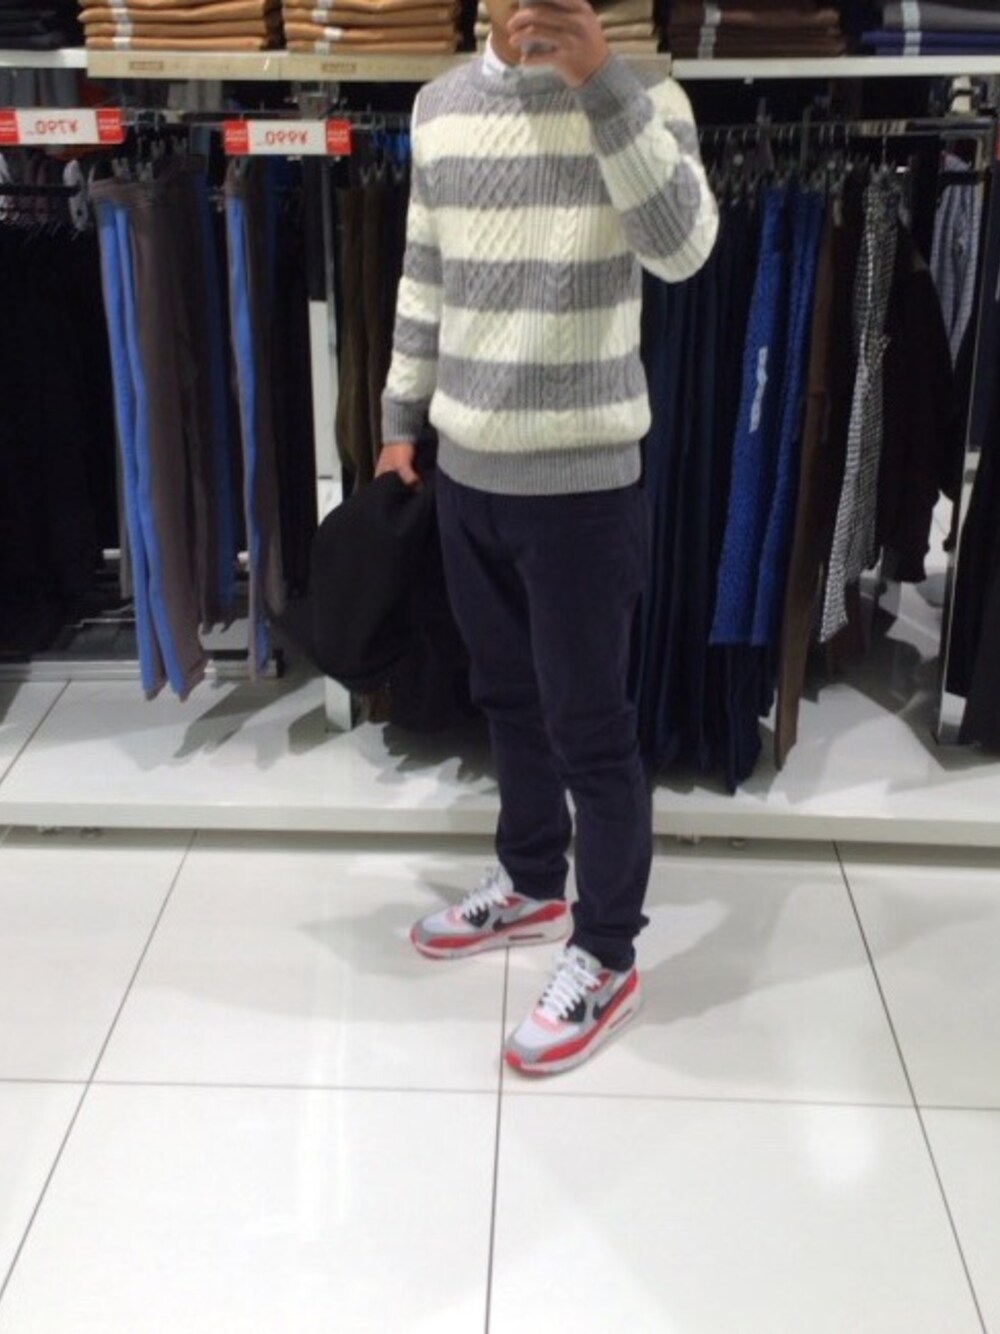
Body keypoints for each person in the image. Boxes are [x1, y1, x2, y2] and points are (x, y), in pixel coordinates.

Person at [376, 0, 718, 1075]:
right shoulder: (438, 106)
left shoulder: (647, 96)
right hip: (466, 470)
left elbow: (683, 249)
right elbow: (423, 272)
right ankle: (531, 881)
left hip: (583, 483)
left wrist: (601, 78)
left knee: (592, 728)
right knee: (505, 698)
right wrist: (398, 415)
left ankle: (607, 952)